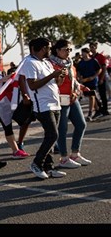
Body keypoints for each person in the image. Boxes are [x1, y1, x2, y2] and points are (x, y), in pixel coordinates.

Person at [24, 38, 67, 179]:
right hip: (42, 106)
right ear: (42, 48)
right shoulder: (30, 63)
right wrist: (52, 75)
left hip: (55, 103)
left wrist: (60, 76)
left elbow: (56, 83)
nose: (51, 50)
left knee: (51, 137)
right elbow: (33, 85)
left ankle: (49, 167)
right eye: (49, 48)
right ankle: (36, 163)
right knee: (52, 135)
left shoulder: (47, 62)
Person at [49, 39, 91, 168]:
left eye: (70, 49)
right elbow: (54, 84)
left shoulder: (70, 63)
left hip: (73, 98)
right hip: (61, 100)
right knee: (62, 129)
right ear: (57, 50)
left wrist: (81, 87)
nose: (68, 52)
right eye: (65, 49)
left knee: (81, 124)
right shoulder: (51, 64)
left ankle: (75, 154)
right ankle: (64, 158)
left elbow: (73, 81)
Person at [0, 50, 29, 159]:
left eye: (1, 60)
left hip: (1, 102)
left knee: (7, 125)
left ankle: (16, 150)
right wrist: (4, 79)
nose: (0, 62)